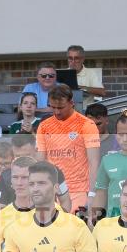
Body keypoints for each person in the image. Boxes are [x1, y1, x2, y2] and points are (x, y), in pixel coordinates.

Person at [35, 84, 100, 213]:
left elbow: (94, 162)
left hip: (79, 191)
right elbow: (40, 163)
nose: (57, 112)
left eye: (61, 107)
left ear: (71, 103)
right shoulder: (43, 126)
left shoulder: (86, 125)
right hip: (53, 191)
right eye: (53, 107)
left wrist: (92, 194)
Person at [0, 135, 72, 212]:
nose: (23, 160)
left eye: (27, 155)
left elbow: (65, 200)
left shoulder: (54, 171)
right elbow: (0, 207)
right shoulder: (5, 176)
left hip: (47, 221)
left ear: (36, 150)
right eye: (18, 156)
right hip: (17, 222)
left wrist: (61, 221)